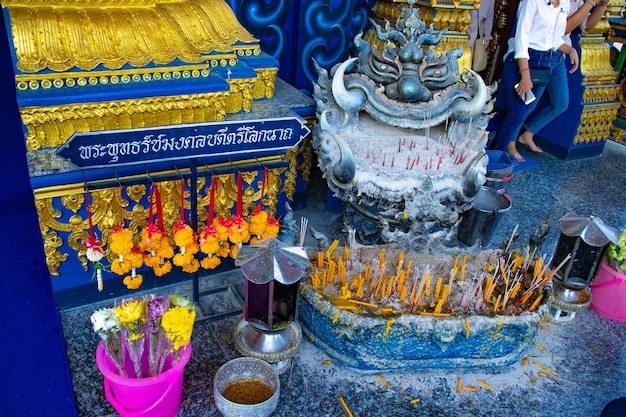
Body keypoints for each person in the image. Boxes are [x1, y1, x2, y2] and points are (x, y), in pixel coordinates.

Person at [490, 0, 579, 162]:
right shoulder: (532, 2)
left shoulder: (563, 4)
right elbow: (521, 40)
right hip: (524, 60)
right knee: (516, 113)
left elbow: (554, 39)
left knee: (524, 109)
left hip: (546, 62)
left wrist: (570, 50)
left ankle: (493, 156)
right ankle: (493, 157)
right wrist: (525, 74)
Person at [516, 0, 610, 152]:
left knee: (561, 103)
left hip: (560, 55)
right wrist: (590, 3)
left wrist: (602, 5)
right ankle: (508, 142)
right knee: (528, 102)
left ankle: (528, 133)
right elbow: (562, 31)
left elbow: (586, 26)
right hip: (541, 53)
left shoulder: (578, 1)